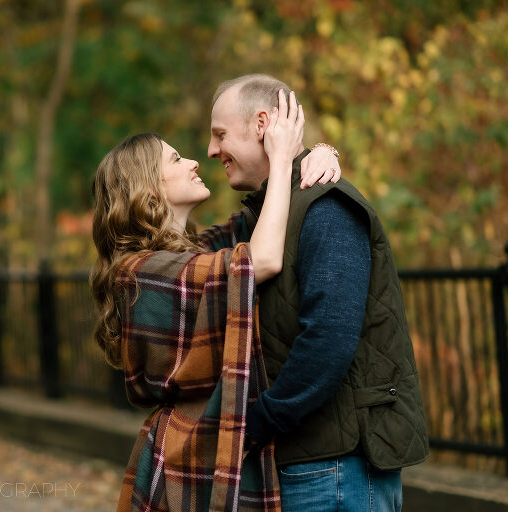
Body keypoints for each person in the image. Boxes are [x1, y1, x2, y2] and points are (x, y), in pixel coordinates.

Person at [91, 91, 341, 512]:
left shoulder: (189, 253)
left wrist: (317, 154)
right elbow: (259, 258)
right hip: (187, 456)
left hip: (209, 443)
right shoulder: (140, 272)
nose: (194, 161)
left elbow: (262, 217)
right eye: (174, 159)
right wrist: (281, 164)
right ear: (147, 188)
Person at [207, 73, 429, 511]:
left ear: (262, 125)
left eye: (219, 134)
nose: (212, 151)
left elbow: (328, 340)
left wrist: (260, 421)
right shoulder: (262, 220)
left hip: (336, 469)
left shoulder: (326, 207)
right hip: (306, 460)